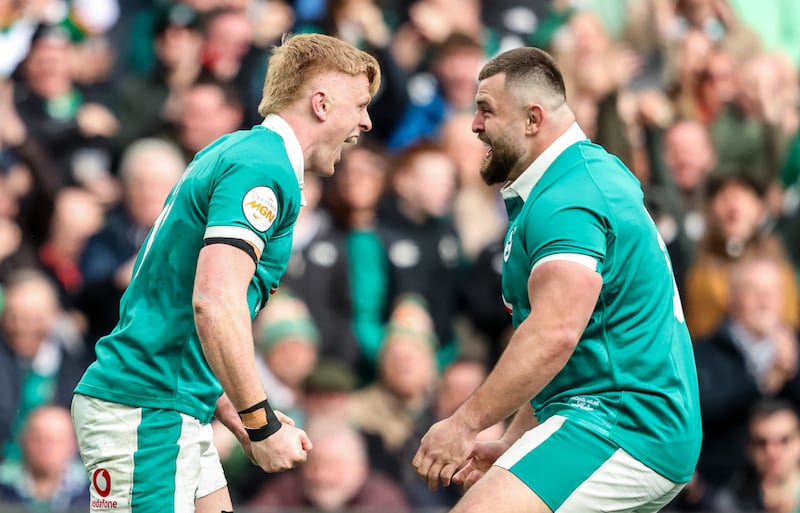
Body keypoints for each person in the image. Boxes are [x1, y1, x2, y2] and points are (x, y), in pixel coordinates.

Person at [71, 33, 381, 513]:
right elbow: (213, 301)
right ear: (321, 103)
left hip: (172, 404)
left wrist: (240, 417)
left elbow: (173, 309)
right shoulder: (265, 167)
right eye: (360, 104)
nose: (365, 121)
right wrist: (261, 424)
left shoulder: (234, 151)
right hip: (150, 410)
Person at [412, 46, 702, 513]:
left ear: (533, 119)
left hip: (621, 423)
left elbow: (554, 336)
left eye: (486, 110)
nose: (474, 125)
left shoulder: (569, 198)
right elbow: (573, 349)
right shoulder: (579, 176)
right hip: (612, 419)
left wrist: (463, 424)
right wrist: (517, 440)